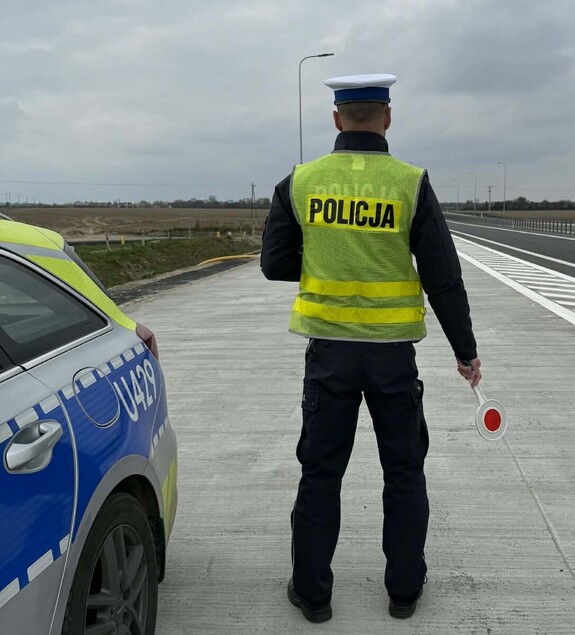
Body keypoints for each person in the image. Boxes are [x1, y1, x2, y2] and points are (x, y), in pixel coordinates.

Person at [260, 73, 481, 623]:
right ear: (387, 117)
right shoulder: (410, 183)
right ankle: (403, 592)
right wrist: (465, 351)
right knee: (403, 472)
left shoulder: (300, 182)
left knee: (320, 473)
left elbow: (274, 263)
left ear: (337, 118)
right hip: (392, 357)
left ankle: (313, 595)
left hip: (329, 355)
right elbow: (443, 276)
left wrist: (323, 261)